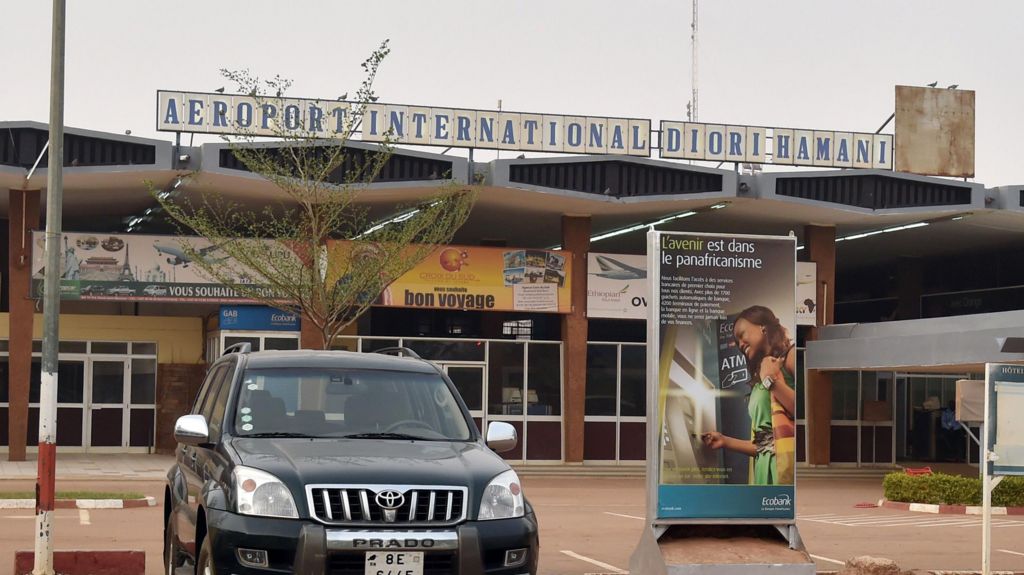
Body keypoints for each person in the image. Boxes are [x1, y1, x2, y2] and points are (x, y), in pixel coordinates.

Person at [701, 305, 797, 485]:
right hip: (763, 470)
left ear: (763, 327)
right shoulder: (760, 377)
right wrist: (725, 441)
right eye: (736, 342)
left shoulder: (791, 356)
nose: (740, 344)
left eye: (741, 334)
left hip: (783, 468)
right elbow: (763, 446)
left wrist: (771, 381)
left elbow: (806, 412)